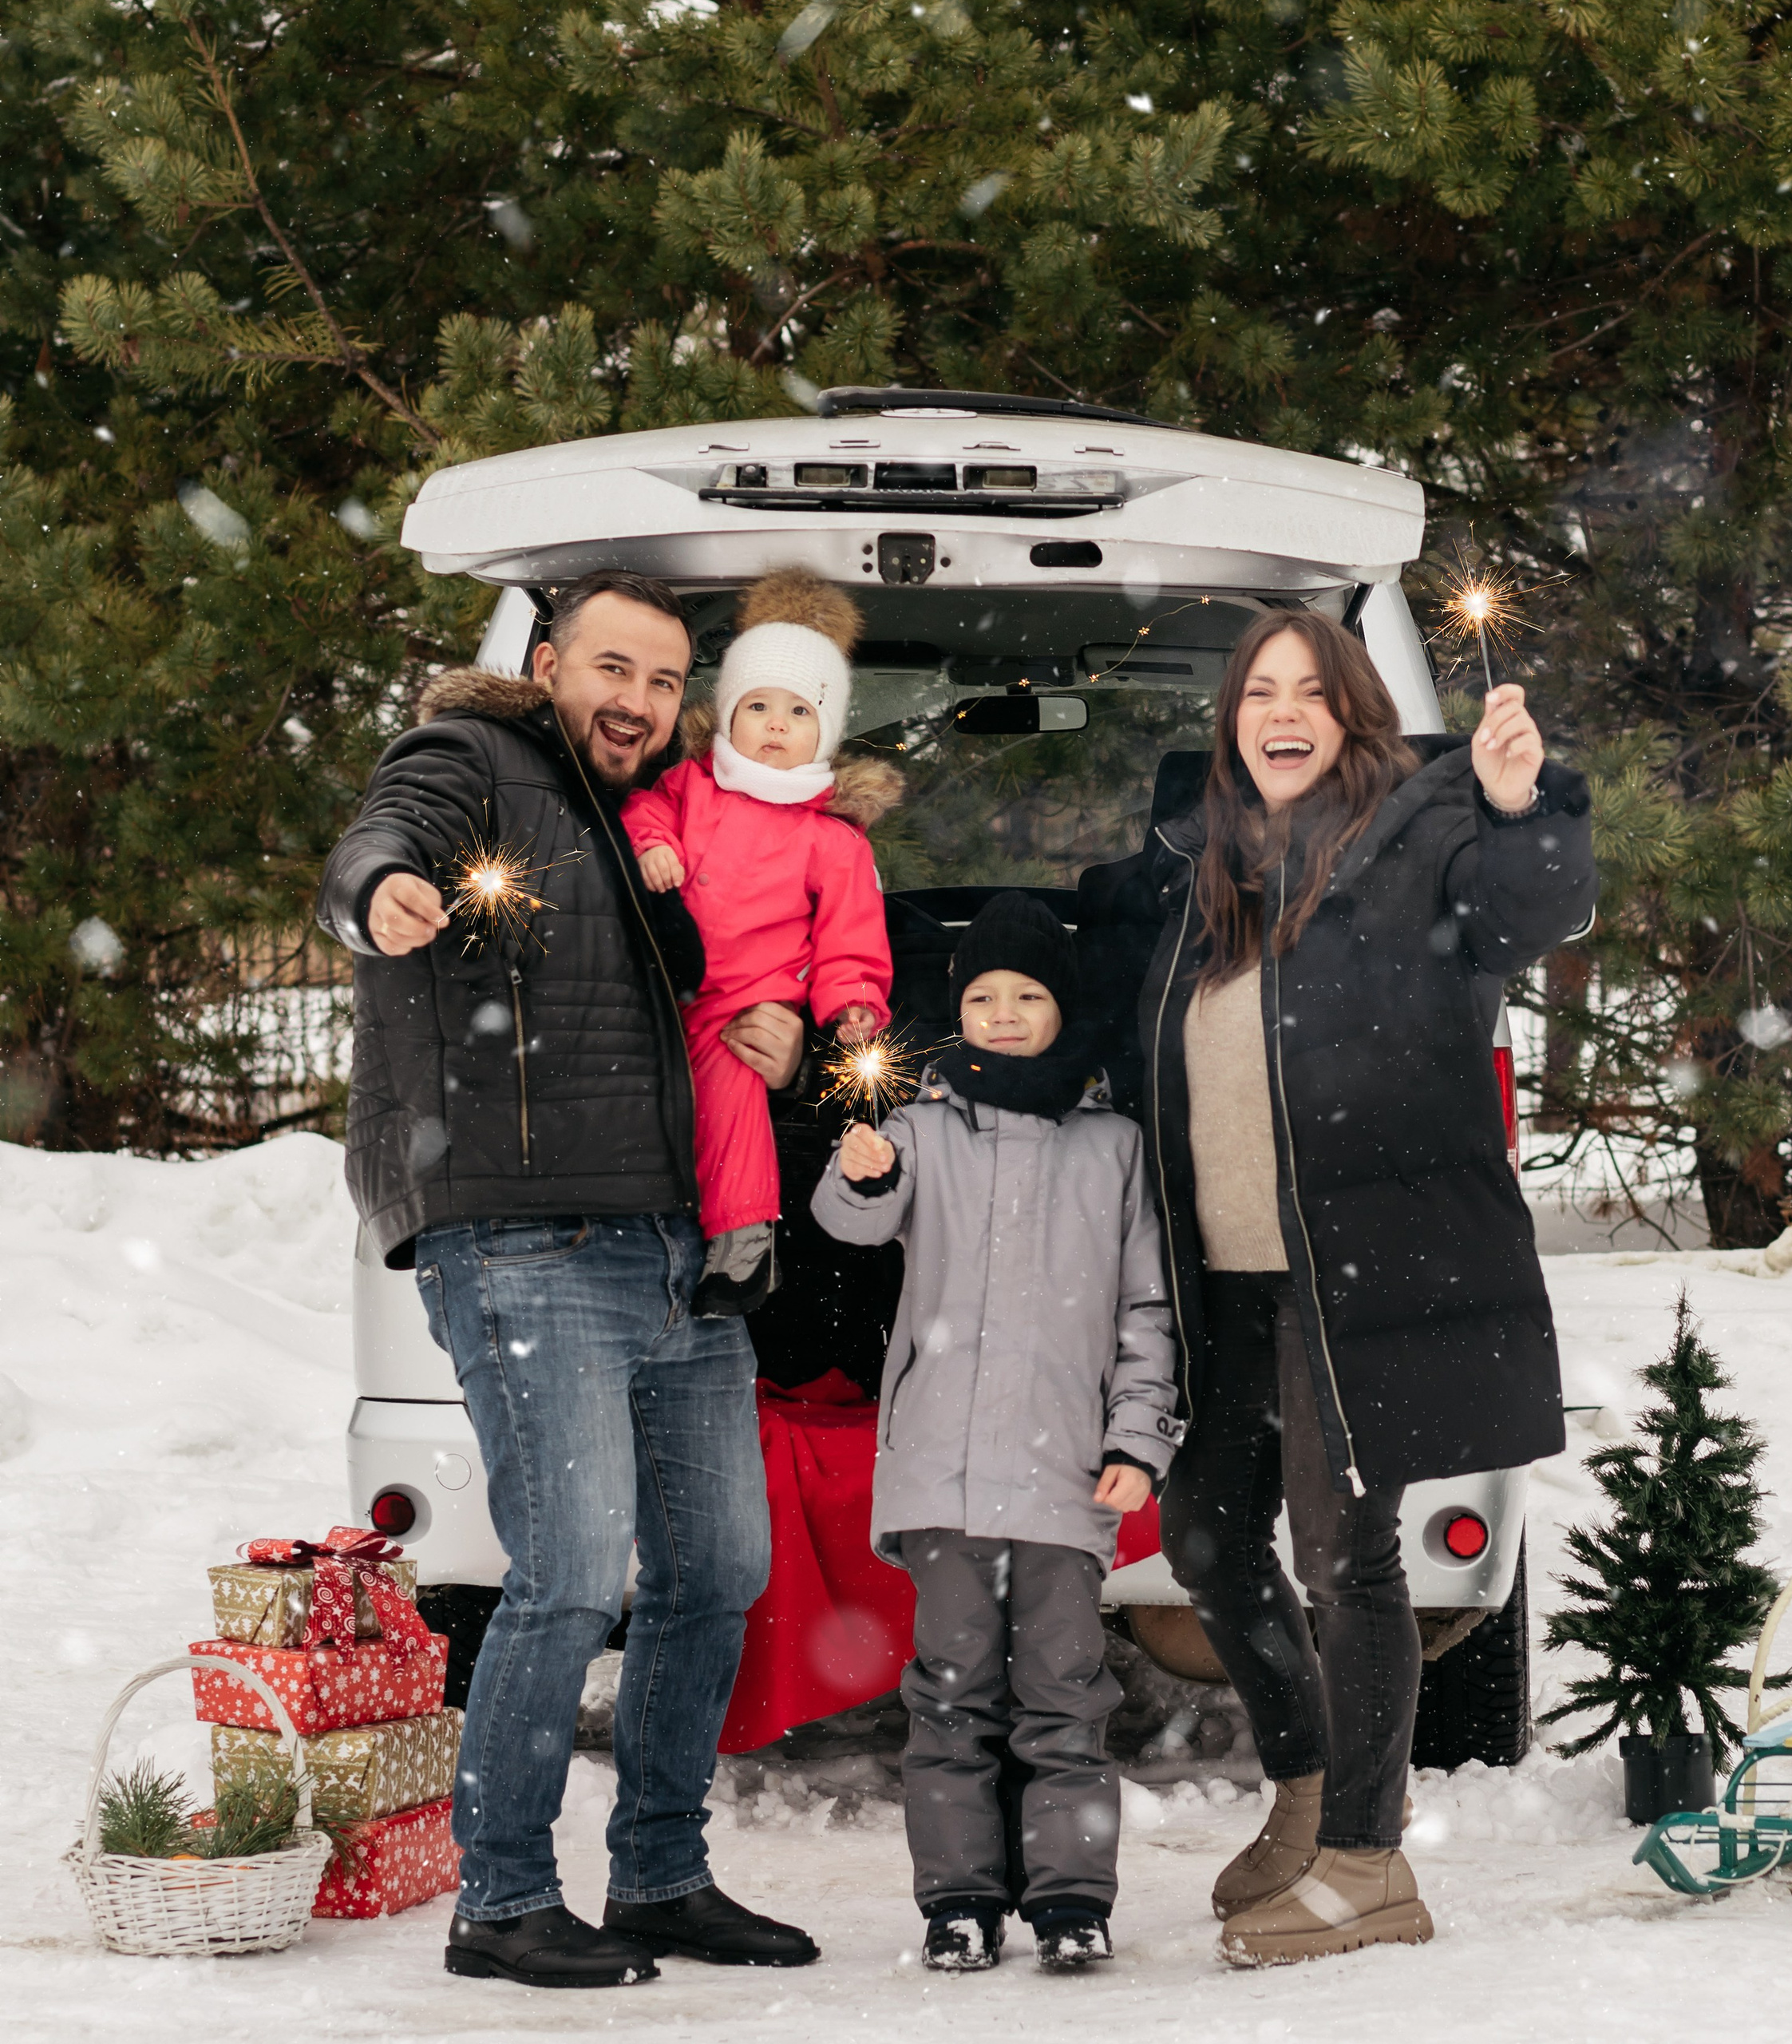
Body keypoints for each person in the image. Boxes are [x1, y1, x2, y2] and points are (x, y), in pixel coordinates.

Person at [317, 569, 819, 1988]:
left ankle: (660, 1874)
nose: (638, 703)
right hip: (525, 1237)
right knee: (570, 1578)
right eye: (612, 670)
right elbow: (379, 848)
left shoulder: (649, 815)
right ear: (548, 664)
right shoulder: (469, 756)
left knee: (718, 1568)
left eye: (664, 683)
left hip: (675, 1246)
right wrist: (384, 894)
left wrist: (772, 1042)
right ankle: (505, 1897)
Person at [1133, 611, 1596, 1967]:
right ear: (1232, 720)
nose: (1283, 711)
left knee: (1348, 1557)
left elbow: (1537, 907)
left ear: (1352, 715)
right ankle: (1308, 1792)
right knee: (1209, 1536)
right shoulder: (1203, 881)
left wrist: (1521, 808)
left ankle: (1369, 1862)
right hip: (1226, 1280)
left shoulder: (1418, 850)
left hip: (1357, 1281)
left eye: (1311, 692)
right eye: (1259, 692)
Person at [810, 893, 1184, 1975]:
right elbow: (853, 1220)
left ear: (1063, 1010)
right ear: (957, 1011)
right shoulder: (922, 1129)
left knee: (1066, 1697)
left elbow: (1146, 1309)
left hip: (1067, 1473)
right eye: (983, 997)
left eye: (1028, 996)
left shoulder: (1115, 1147)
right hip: (942, 1470)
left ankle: (1072, 1901)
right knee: (950, 1698)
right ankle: (960, 1900)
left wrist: (1138, 1439)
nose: (1006, 1014)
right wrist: (860, 1169)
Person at [622, 568, 900, 1317]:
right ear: (727, 718)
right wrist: (651, 845)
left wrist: (852, 1003)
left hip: (744, 1005)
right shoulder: (690, 786)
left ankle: (742, 1242)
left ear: (826, 731)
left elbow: (851, 937)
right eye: (758, 706)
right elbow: (641, 809)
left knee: (733, 1103)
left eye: (799, 712)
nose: (776, 725)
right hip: (658, 983)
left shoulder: (830, 839)